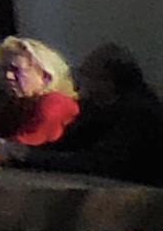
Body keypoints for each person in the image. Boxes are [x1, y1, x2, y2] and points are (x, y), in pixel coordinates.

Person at [28, 44, 163, 184]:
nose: (79, 83)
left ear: (107, 81)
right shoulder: (96, 106)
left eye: (86, 75)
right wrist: (23, 152)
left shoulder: (141, 113)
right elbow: (68, 141)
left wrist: (29, 157)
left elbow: (99, 162)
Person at [0, 35, 82, 158]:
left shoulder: (55, 104)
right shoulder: (20, 103)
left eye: (16, 70)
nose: (8, 76)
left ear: (46, 76)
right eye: (4, 69)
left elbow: (17, 150)